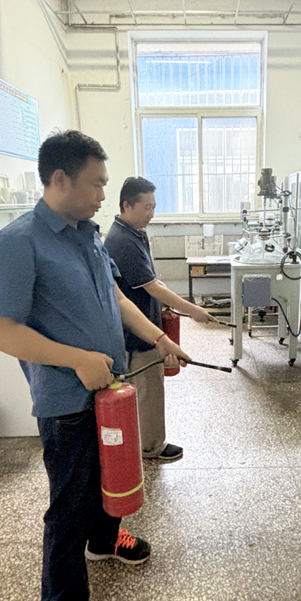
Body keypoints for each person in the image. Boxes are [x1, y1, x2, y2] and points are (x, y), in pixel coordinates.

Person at [0, 131, 190, 601]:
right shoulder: (18, 243)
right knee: (68, 509)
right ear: (60, 179)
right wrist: (76, 359)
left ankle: (107, 538)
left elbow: (115, 298)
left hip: (111, 391)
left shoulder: (88, 236)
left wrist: (158, 339)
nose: (103, 194)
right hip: (67, 403)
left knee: (110, 478)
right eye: (96, 183)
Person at [104, 177, 215, 462]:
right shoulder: (122, 241)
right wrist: (192, 309)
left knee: (147, 389)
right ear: (127, 206)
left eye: (154, 207)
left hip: (146, 321)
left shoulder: (135, 232)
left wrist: (168, 305)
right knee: (148, 391)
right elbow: (153, 288)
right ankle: (150, 447)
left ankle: (143, 441)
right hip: (138, 334)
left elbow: (151, 281)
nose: (152, 213)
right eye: (147, 207)